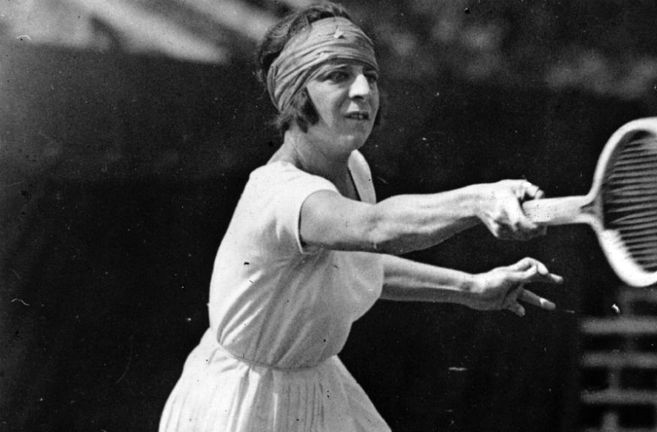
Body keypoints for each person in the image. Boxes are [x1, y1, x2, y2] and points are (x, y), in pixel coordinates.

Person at [159, 3, 563, 431]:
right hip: (238, 406)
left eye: (369, 76)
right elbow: (377, 230)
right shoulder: (279, 194)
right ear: (297, 94)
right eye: (337, 76)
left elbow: (355, 268)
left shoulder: (353, 168)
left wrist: (471, 287)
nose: (362, 90)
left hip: (318, 386)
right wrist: (477, 201)